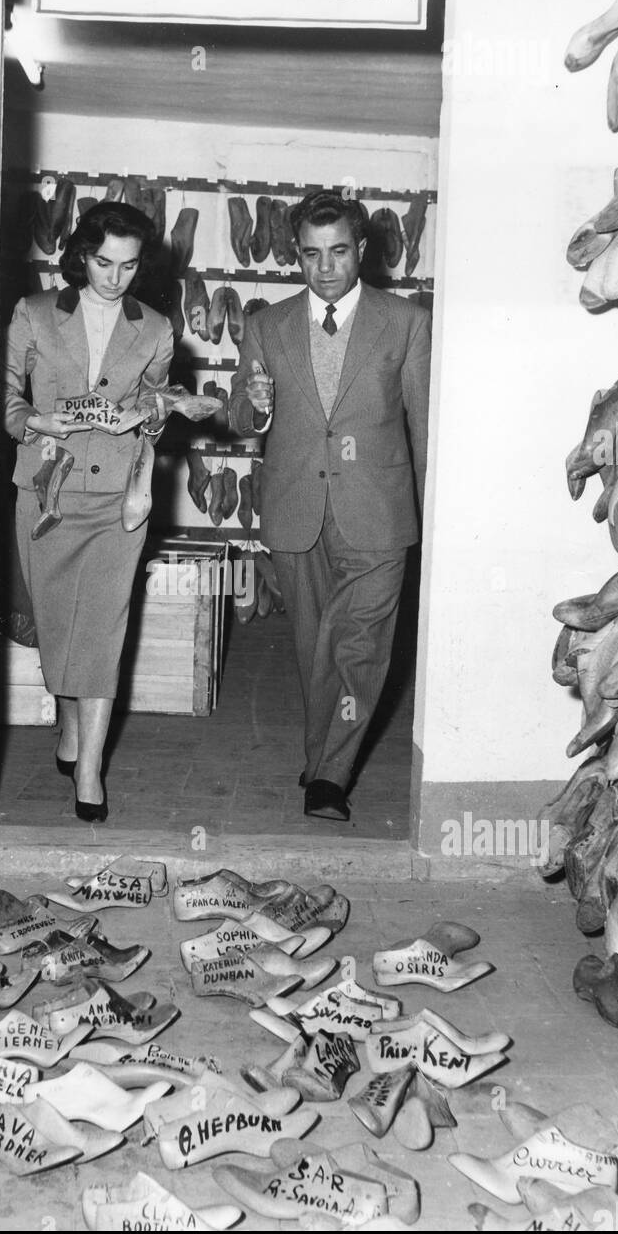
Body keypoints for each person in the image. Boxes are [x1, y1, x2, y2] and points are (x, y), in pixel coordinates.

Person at [229, 188, 431, 822]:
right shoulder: (264, 325)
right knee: (315, 643)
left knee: (359, 647)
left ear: (361, 251)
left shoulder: (406, 322)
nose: (325, 268)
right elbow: (241, 418)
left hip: (378, 511)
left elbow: (423, 426)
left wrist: (432, 520)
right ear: (296, 253)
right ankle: (322, 757)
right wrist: (253, 404)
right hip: (296, 509)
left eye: (339, 252)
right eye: (312, 254)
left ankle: (330, 777)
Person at [2, 201, 173, 823]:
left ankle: (92, 771)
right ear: (82, 256)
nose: (114, 277)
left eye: (128, 266)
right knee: (55, 624)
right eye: (103, 262)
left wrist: (149, 414)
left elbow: (158, 407)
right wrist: (31, 422)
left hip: (115, 500)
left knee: (102, 628)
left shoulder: (155, 328)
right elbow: (7, 398)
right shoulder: (35, 312)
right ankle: (69, 727)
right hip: (45, 489)